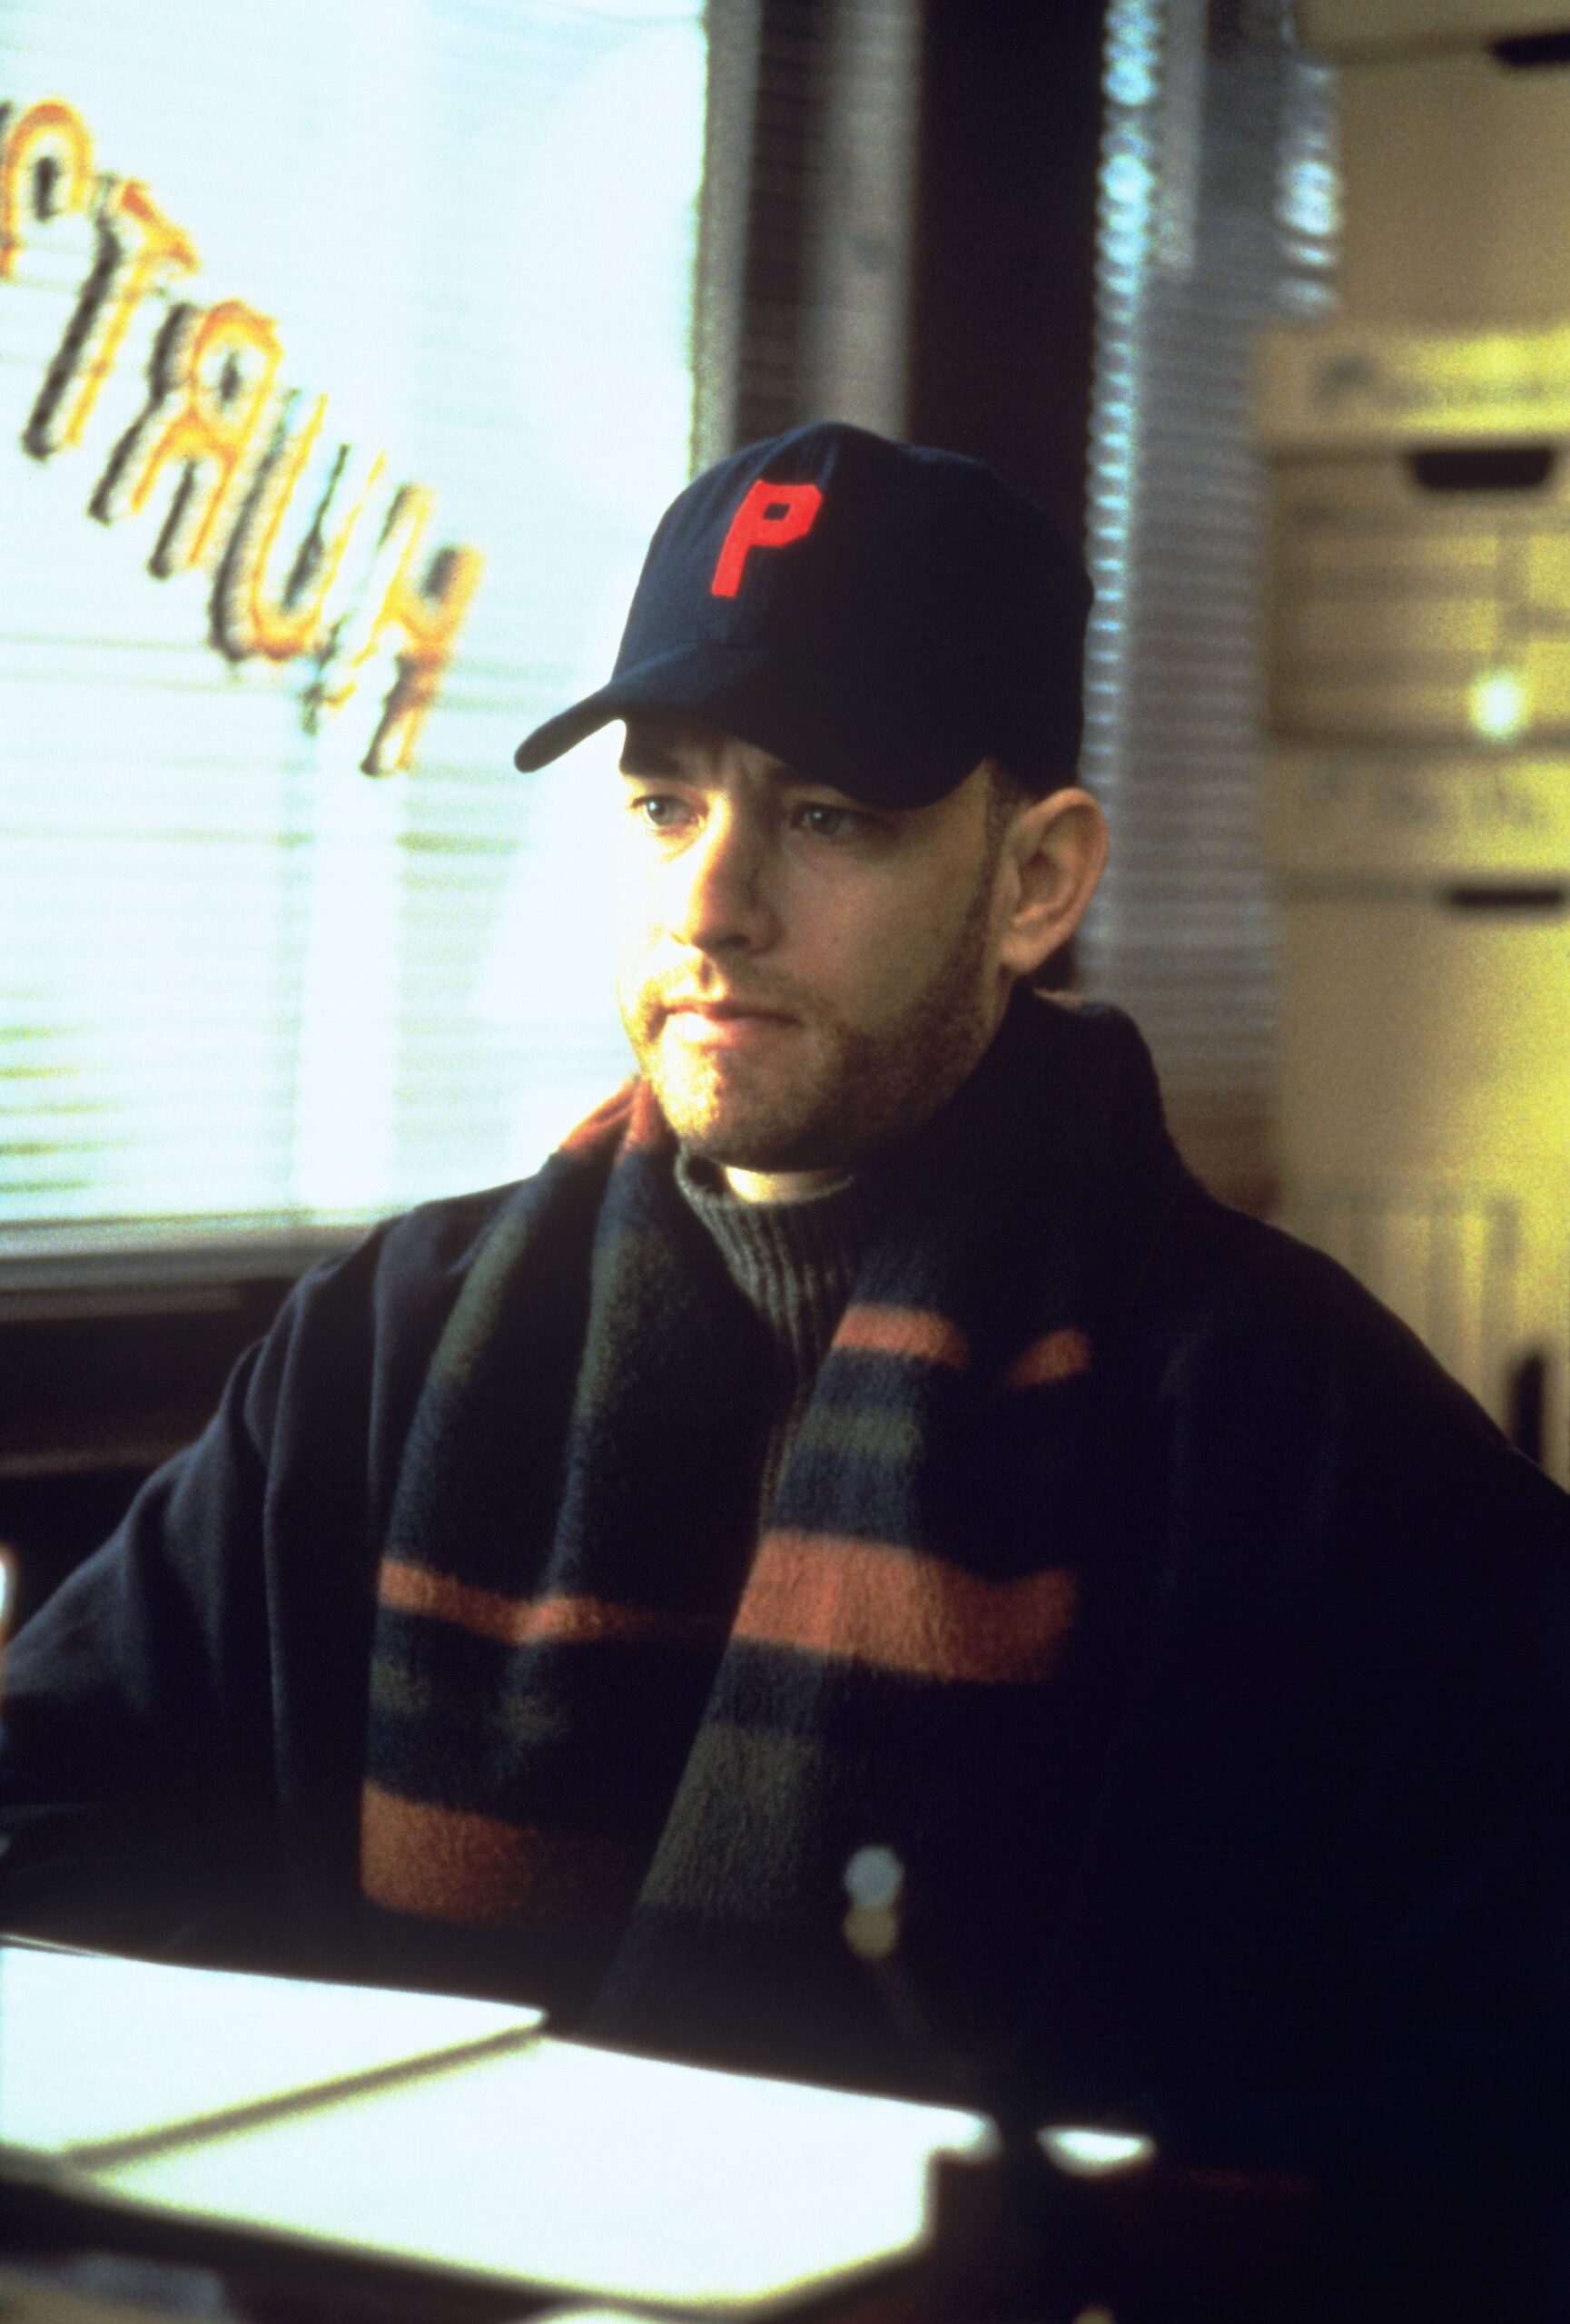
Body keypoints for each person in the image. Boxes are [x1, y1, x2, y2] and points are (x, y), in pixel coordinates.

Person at [1, 424, 1566, 2301]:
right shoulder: (384, 1341)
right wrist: (341, 2151)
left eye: (826, 815)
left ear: (1036, 879)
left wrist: (1071, 2243)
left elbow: (1506, 2074)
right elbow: (47, 1828)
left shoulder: (1287, 1422)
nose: (710, 903)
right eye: (666, 805)